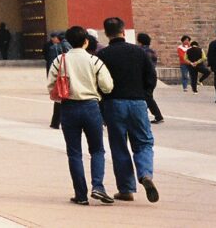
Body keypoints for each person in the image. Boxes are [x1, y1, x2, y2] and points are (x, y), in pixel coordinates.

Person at [47, 25, 115, 206]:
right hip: (91, 107)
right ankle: (98, 186)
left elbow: (50, 86)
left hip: (68, 109)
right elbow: (108, 86)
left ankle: (81, 194)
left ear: (68, 41)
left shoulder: (59, 60)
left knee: (74, 153)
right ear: (86, 41)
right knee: (97, 150)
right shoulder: (94, 60)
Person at [96, 17, 159, 203]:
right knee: (144, 142)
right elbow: (151, 77)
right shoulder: (139, 52)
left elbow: (99, 83)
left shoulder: (103, 55)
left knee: (119, 146)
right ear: (124, 31)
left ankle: (126, 189)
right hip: (138, 102)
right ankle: (145, 174)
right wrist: (145, 95)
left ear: (106, 33)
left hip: (113, 103)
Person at [135, 33, 164, 123]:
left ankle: (157, 116)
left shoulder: (139, 51)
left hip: (143, 77)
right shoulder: (152, 51)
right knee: (148, 96)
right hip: (152, 76)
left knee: (146, 97)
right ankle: (154, 115)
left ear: (139, 42)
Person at [45, 32, 65, 129]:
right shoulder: (70, 46)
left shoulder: (55, 48)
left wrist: (51, 89)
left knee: (59, 101)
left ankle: (55, 123)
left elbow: (52, 63)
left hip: (61, 77)